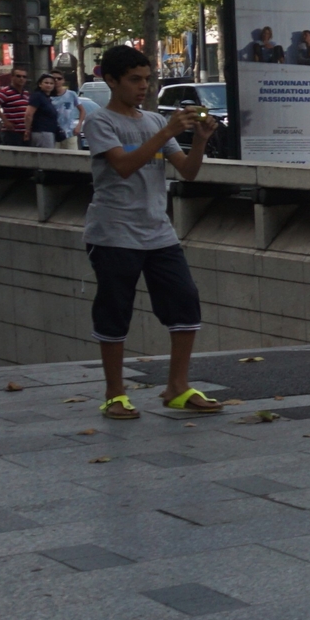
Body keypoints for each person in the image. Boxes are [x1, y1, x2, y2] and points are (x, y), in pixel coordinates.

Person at [83, 45, 221, 419]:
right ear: (110, 80)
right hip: (113, 233)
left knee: (185, 302)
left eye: (147, 79)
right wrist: (168, 131)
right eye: (134, 80)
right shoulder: (101, 122)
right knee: (115, 311)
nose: (142, 87)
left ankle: (177, 386)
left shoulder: (154, 122)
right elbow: (124, 166)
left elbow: (187, 171)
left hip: (158, 232)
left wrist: (202, 140)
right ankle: (115, 393)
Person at [0, 69, 32, 148]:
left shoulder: (26, 93)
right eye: (18, 76)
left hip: (25, 133)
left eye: (24, 77)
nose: (21, 78)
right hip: (12, 133)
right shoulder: (5, 91)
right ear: (12, 77)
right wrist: (5, 121)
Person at [26, 73, 65, 150]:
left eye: (51, 83)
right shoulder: (37, 96)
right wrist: (27, 130)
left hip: (49, 132)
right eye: (46, 83)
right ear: (40, 84)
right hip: (42, 132)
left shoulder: (47, 98)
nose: (49, 85)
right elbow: (28, 114)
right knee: (47, 158)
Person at [48, 73, 85, 149]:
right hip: (53, 134)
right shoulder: (47, 96)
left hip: (70, 133)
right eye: (54, 78)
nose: (56, 80)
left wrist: (79, 125)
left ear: (63, 80)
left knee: (72, 158)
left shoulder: (71, 94)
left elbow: (82, 110)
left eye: (59, 78)